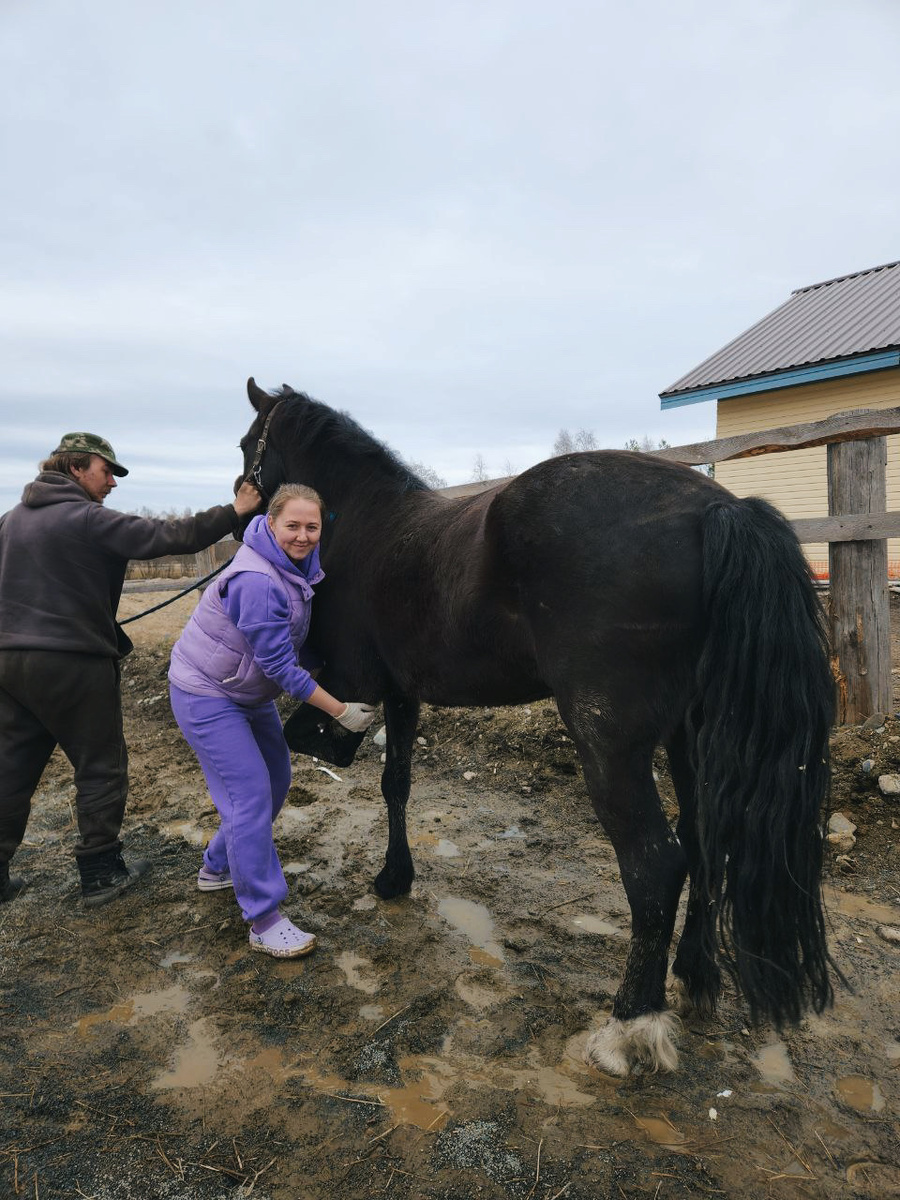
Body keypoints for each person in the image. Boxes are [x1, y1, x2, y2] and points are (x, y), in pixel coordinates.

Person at [0, 431, 264, 907]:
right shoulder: (86, 517)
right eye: (108, 471)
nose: (113, 483)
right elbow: (166, 537)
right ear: (76, 467)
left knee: (11, 768)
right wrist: (234, 512)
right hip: (73, 664)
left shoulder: (9, 521)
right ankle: (101, 874)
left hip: (9, 664)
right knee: (101, 766)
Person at [168, 483, 375, 959]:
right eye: (293, 526)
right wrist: (340, 711)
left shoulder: (298, 568)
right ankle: (263, 918)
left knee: (277, 778)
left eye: (312, 527)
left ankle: (217, 865)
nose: (302, 536)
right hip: (207, 694)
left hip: (245, 691)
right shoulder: (257, 581)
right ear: (271, 523)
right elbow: (281, 667)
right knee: (249, 795)